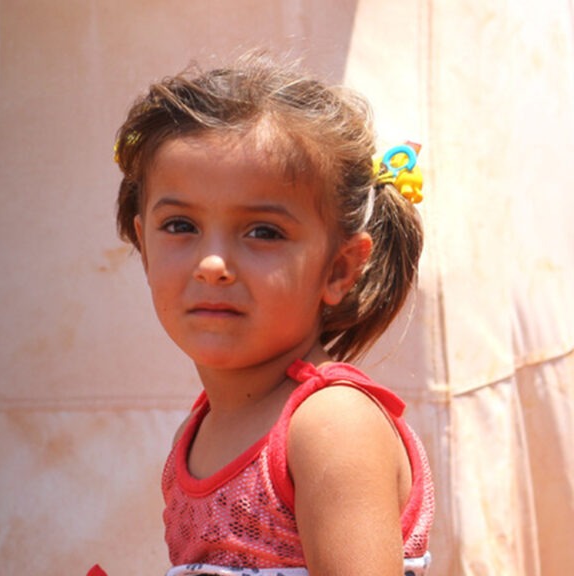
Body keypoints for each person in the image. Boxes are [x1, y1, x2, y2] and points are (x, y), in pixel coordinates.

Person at [111, 53, 434, 576]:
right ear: (143, 245)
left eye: (263, 232)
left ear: (339, 268)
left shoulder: (330, 426)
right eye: (180, 226)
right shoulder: (195, 436)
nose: (212, 265)